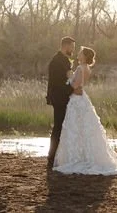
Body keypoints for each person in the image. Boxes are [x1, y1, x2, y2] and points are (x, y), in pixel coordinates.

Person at [52, 46, 117, 175]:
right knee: (84, 128)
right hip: (83, 99)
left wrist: (67, 81)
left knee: (76, 128)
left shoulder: (79, 68)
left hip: (76, 100)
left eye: (80, 53)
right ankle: (85, 155)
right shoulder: (87, 69)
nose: (78, 55)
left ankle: (77, 157)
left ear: (84, 56)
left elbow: (75, 85)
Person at [45, 36, 75, 170]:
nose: (73, 49)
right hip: (60, 98)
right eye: (72, 47)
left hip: (63, 97)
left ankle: (57, 155)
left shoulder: (62, 60)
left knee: (62, 126)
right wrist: (72, 89)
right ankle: (52, 156)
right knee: (58, 126)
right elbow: (56, 82)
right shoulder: (57, 61)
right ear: (66, 46)